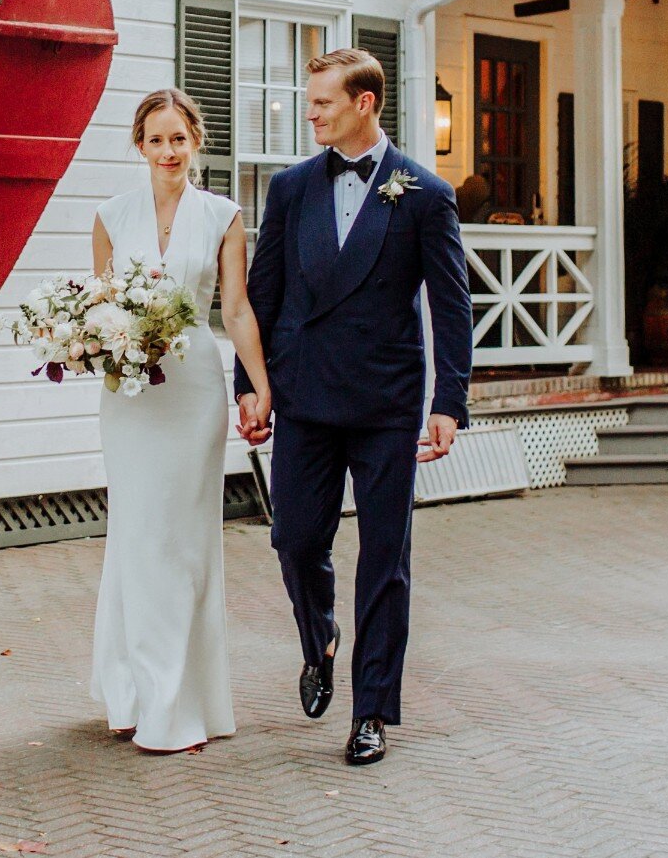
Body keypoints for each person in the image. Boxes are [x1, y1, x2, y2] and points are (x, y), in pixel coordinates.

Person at [234, 49, 472, 767]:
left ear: (364, 104)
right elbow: (261, 293)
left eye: (323, 103)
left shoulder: (423, 194)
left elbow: (451, 304)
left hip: (384, 402)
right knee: (295, 541)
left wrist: (447, 401)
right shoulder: (291, 187)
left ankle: (371, 708)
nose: (310, 113)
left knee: (384, 558)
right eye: (310, 102)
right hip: (304, 395)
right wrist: (247, 386)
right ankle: (320, 640)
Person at [87, 88, 271, 754]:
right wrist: (87, 343)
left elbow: (237, 310)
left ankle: (178, 701)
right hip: (131, 394)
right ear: (139, 145)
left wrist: (259, 384)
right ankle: (129, 690)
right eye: (155, 139)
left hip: (192, 389)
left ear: (196, 142)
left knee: (184, 541)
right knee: (136, 534)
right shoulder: (110, 214)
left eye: (178, 138)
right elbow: (98, 309)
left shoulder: (223, 215)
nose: (168, 151)